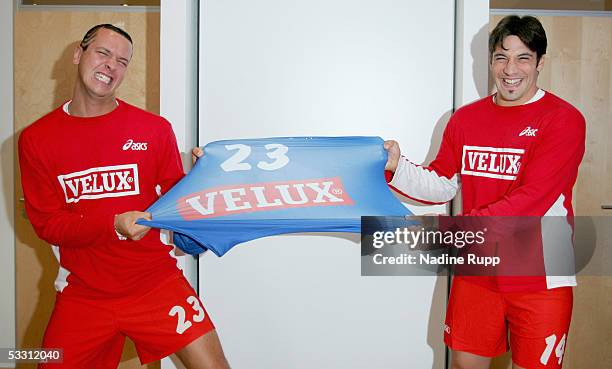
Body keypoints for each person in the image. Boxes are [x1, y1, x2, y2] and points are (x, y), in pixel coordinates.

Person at [18, 24, 230, 369]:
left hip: (156, 283)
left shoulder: (153, 129)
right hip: (83, 295)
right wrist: (113, 225)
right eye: (102, 53)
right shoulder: (36, 139)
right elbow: (49, 224)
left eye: (122, 61)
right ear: (78, 54)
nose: (110, 66)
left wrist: (201, 182)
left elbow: (177, 206)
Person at [384, 16, 585, 369]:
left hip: (541, 271)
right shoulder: (465, 119)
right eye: (501, 56)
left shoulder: (563, 119)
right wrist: (395, 167)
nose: (510, 69)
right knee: (464, 364)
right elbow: (441, 182)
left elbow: (530, 201)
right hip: (479, 266)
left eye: (523, 57)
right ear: (490, 60)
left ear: (540, 62)